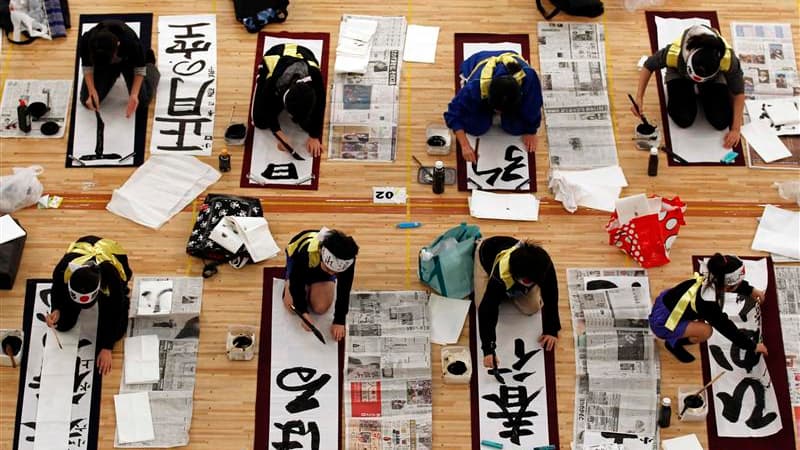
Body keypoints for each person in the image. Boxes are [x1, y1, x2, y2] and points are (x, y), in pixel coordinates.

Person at [633, 24, 745, 149]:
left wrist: (735, 129)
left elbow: (738, 92)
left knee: (721, 121)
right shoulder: (674, 53)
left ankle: (705, 89)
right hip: (680, 75)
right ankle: (690, 88)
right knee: (683, 119)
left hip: (712, 80)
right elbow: (648, 65)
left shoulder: (727, 60)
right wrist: (639, 98)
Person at [649, 254, 768, 363]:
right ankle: (673, 342)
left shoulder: (710, 277)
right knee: (706, 331)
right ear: (726, 286)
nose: (739, 286)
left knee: (701, 319)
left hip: (666, 304)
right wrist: (753, 346)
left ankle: (680, 333)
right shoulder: (708, 303)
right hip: (664, 322)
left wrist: (750, 290)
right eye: (738, 284)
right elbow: (727, 328)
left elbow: (728, 285)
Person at [45, 236, 133, 375]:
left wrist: (107, 348)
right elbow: (56, 288)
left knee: (115, 333)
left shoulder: (111, 274)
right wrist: (56, 309)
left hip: (108, 272)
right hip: (83, 251)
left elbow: (116, 309)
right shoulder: (64, 268)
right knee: (62, 324)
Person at [474, 237, 561, 368]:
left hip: (518, 276)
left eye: (535, 281)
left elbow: (551, 292)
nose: (532, 283)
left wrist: (551, 329)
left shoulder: (543, 264)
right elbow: (487, 310)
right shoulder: (501, 273)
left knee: (532, 308)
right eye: (527, 281)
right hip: (487, 258)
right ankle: (478, 245)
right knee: (481, 304)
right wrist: (488, 349)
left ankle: (512, 291)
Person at [444, 50, 543, 163]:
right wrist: (465, 145)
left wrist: (531, 131)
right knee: (477, 128)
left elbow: (534, 105)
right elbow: (452, 113)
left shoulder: (528, 77)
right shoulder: (475, 86)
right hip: (478, 61)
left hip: (511, 63)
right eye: (498, 111)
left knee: (515, 128)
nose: (499, 115)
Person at [283, 228, 359, 341]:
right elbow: (296, 283)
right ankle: (299, 285)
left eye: (336, 272)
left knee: (321, 308)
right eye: (329, 270)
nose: (332, 273)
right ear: (321, 253)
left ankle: (313, 284)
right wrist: (303, 312)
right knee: (292, 307)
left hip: (318, 269)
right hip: (299, 265)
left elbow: (344, 288)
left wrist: (339, 320)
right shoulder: (305, 253)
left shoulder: (347, 259)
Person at [252, 43, 327, 157]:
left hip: (304, 52)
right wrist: (278, 133)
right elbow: (265, 106)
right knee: (260, 121)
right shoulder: (273, 81)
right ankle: (261, 77)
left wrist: (314, 136)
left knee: (309, 125)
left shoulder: (315, 76)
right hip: (276, 53)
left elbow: (321, 105)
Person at [79, 20, 160, 118]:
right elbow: (87, 67)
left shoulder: (129, 40)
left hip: (128, 62)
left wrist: (134, 94)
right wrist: (92, 90)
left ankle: (150, 64)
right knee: (87, 99)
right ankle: (111, 76)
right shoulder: (87, 41)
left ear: (118, 44)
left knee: (142, 100)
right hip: (104, 66)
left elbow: (140, 69)